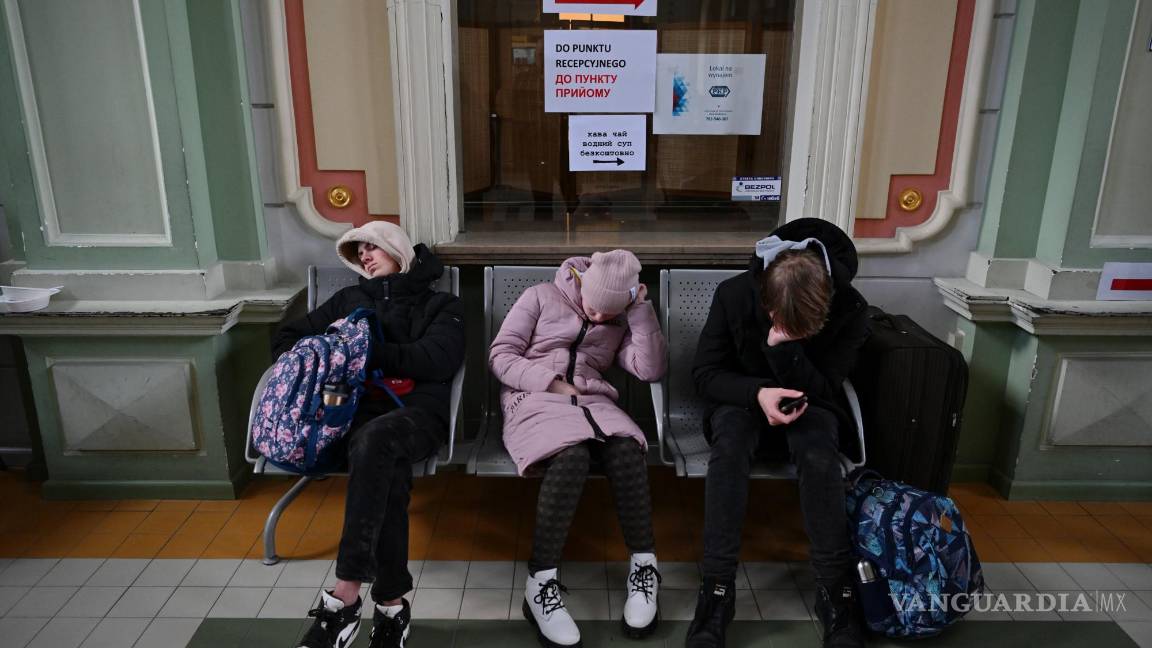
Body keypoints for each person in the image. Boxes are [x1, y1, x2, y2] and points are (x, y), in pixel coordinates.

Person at [272, 221, 465, 648]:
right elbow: (286, 339)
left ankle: (343, 600)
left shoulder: (441, 304)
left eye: (372, 247)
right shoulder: (349, 299)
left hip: (417, 415)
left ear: (398, 251)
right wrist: (324, 352)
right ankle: (392, 607)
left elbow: (437, 360)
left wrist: (361, 350)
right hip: (347, 418)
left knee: (378, 443)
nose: (364, 256)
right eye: (358, 251)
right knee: (384, 465)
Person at [685, 218, 869, 648]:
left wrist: (783, 347)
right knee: (729, 447)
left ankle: (834, 590)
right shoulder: (733, 294)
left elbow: (826, 387)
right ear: (764, 295)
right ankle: (716, 589)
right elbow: (705, 375)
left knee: (818, 450)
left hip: (811, 403)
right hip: (741, 402)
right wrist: (758, 394)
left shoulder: (852, 310)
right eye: (774, 319)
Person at [489, 250, 668, 647]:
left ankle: (644, 568)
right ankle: (540, 583)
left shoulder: (620, 317)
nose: (601, 319)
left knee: (626, 449)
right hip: (532, 397)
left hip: (593, 402)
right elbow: (500, 356)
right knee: (572, 457)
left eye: (611, 313)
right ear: (583, 286)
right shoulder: (539, 297)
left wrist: (639, 311)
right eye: (594, 308)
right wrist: (550, 382)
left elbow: (649, 368)